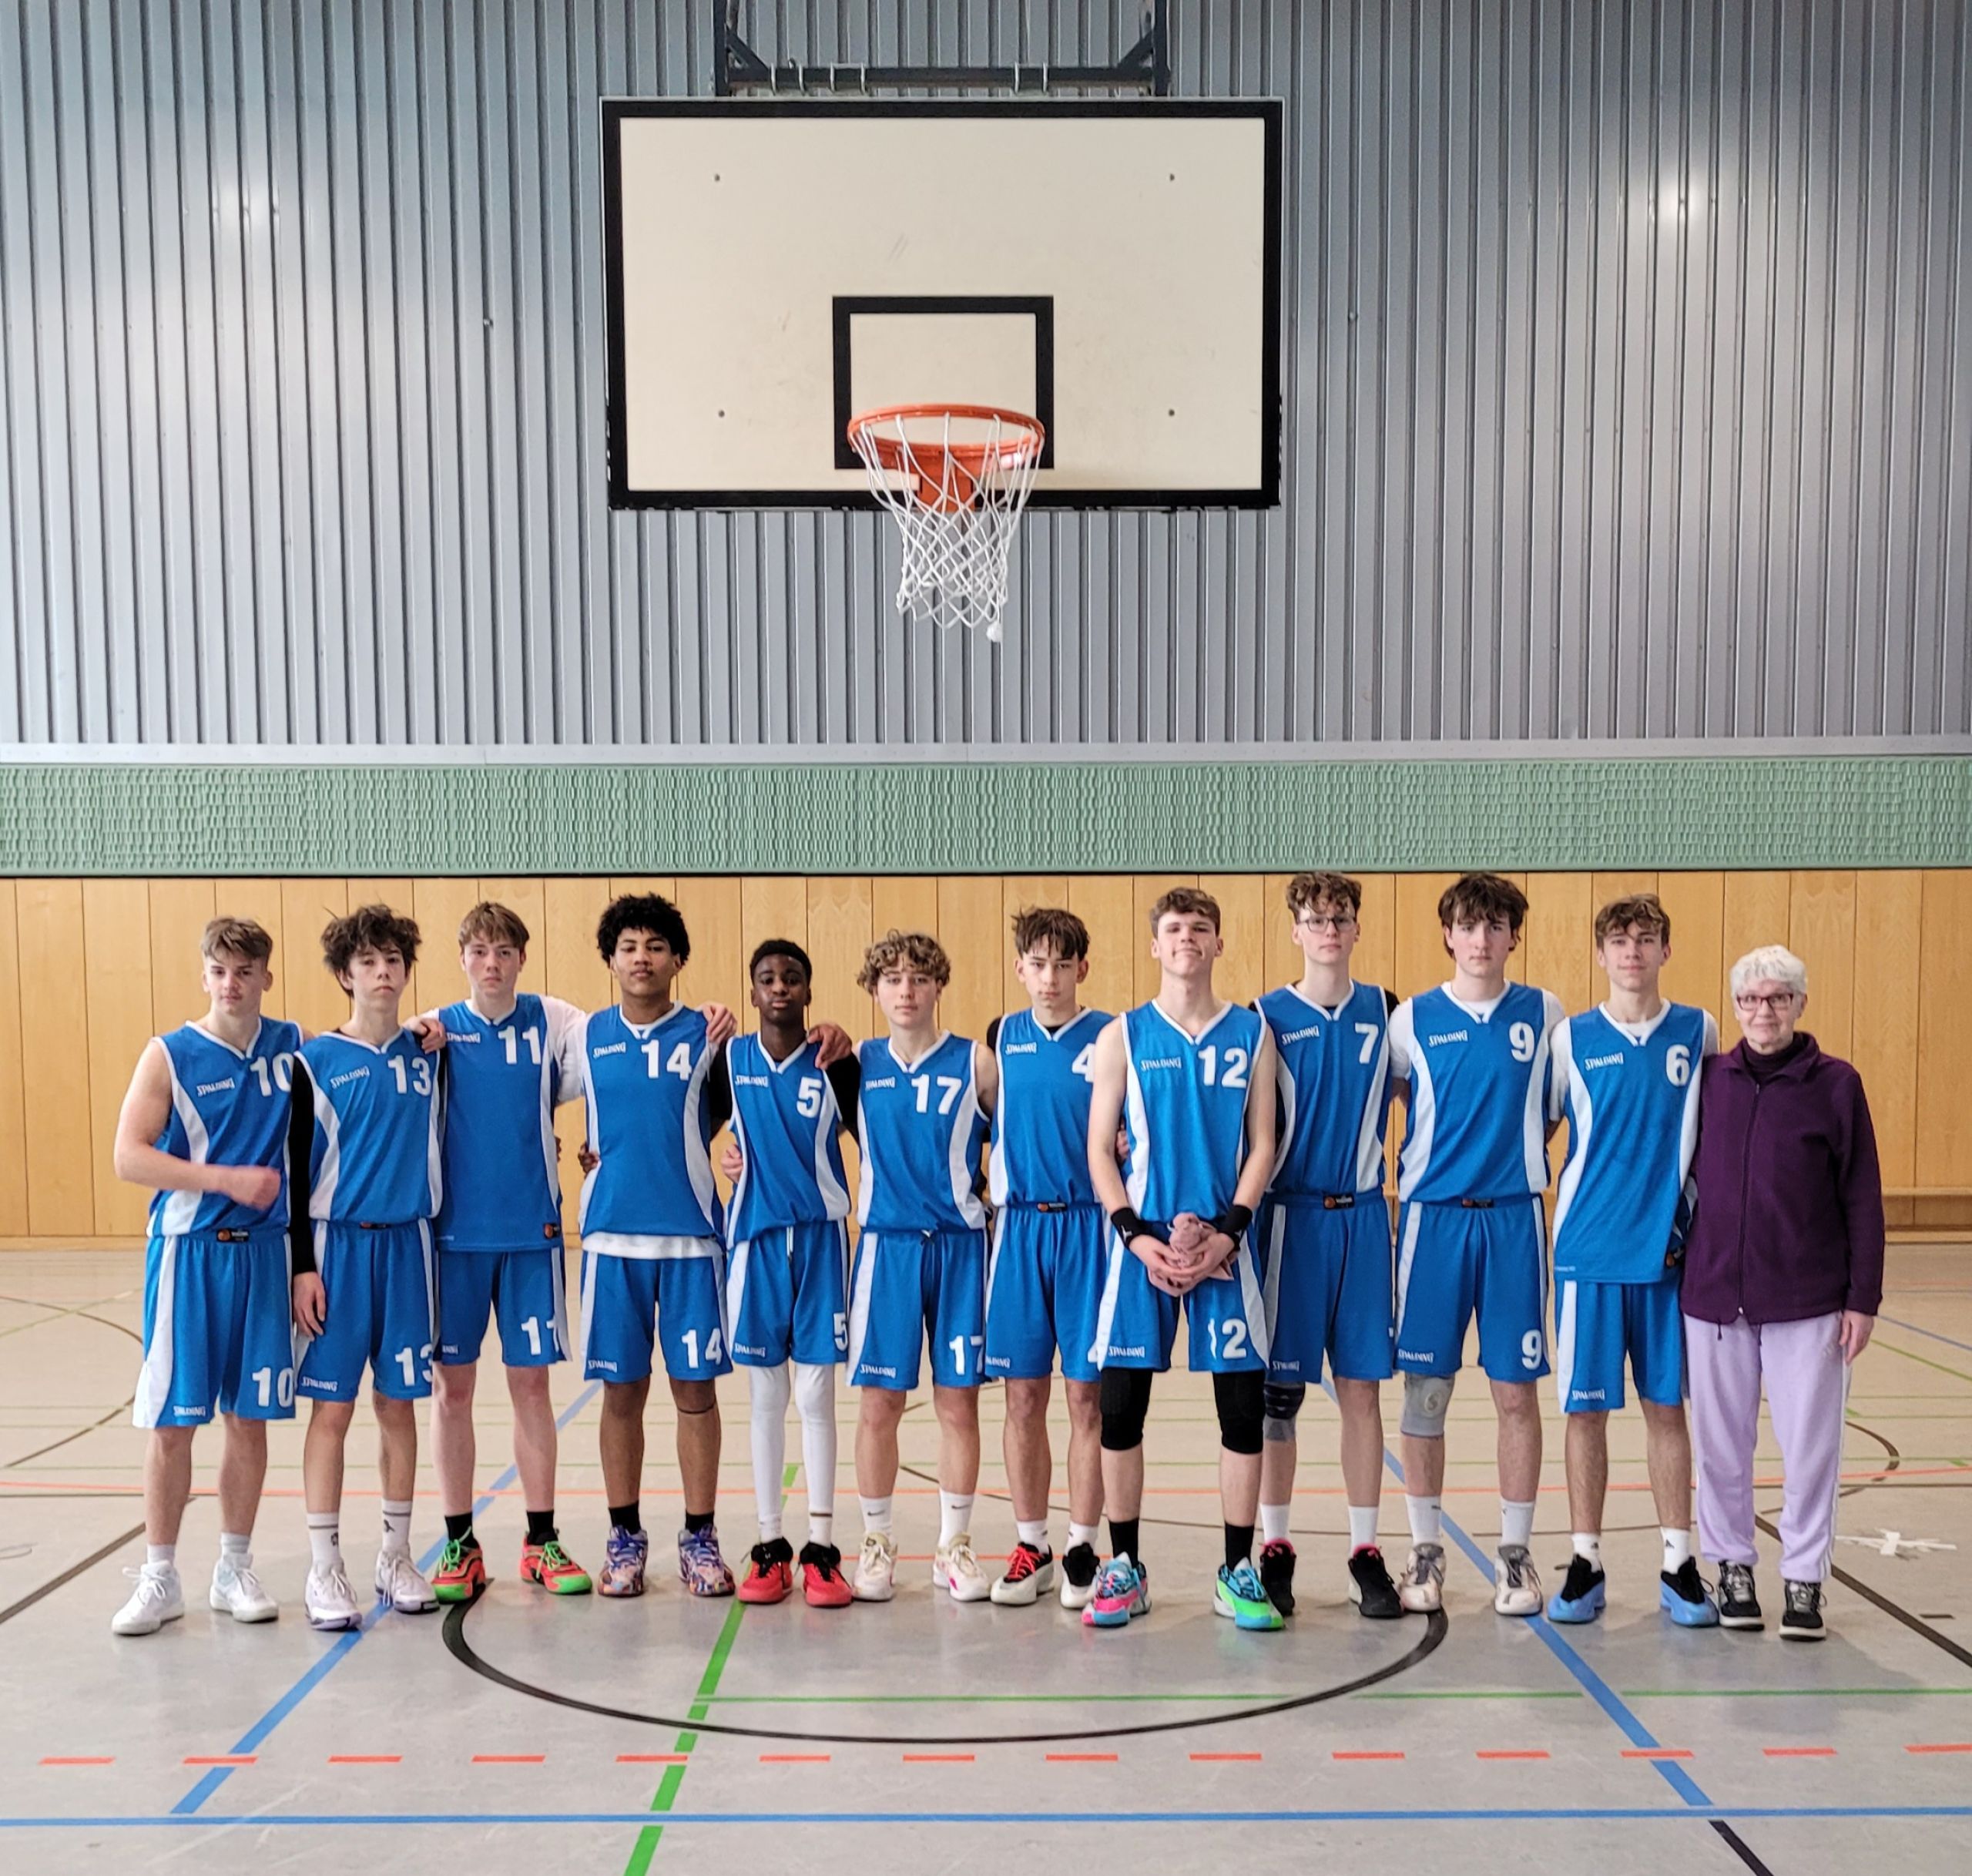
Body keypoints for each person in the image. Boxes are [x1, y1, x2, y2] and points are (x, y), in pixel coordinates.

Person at [1085, 886, 1281, 1632]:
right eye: (1173, 928)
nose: (1186, 938)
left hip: (1226, 1250)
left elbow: (1262, 1143)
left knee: (1239, 1411)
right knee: (1119, 1409)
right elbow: (1100, 1149)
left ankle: (1237, 1567)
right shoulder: (1123, 1035)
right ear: (1155, 943)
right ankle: (1124, 1563)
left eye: (1200, 927)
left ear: (1218, 943)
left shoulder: (1253, 1033)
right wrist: (1135, 1235)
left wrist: (1229, 1230)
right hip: (1144, 1250)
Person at [1682, 944, 1884, 1641]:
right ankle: (1732, 1567)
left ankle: (1803, 1578)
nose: (1762, 1011)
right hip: (1713, 1299)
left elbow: (1862, 1195)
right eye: (1749, 999)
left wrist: (1864, 1298)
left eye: (1776, 998)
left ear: (1800, 1004)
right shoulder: (1711, 1079)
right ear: (1735, 1007)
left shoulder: (1836, 1084)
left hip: (1809, 1299)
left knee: (1809, 1447)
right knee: (1720, 1446)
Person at [109, 917, 302, 1636]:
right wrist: (221, 1177)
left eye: (246, 970)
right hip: (188, 1254)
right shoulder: (170, 1054)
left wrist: (427, 1028)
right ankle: (160, 1575)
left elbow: (363, 1047)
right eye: (220, 971)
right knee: (172, 1422)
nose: (233, 982)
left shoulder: (293, 1046)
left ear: (265, 978)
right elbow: (129, 1157)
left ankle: (233, 1566)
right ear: (204, 977)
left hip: (263, 1256)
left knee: (249, 1418)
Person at [1387, 872, 1563, 1619]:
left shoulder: (1547, 1014)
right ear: (1449, 935)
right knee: (1426, 1392)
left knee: (1514, 1391)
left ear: (1513, 936)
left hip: (1514, 1219)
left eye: (1496, 926)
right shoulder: (1412, 1020)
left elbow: (1555, 1109)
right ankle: (1424, 1548)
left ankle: (1515, 1553)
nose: (1482, 939)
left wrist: (1508, 1156)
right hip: (1432, 1222)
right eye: (1469, 926)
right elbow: (1397, 1102)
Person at [1544, 894, 1720, 1628]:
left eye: (1647, 939)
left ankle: (1679, 1562)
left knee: (1664, 1409)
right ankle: (1585, 1559)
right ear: (1600, 953)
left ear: (1666, 951)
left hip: (1668, 1257)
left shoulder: (1699, 1030)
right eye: (1619, 940)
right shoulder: (1570, 1038)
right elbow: (1540, 1125)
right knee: (1585, 1414)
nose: (1633, 952)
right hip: (1586, 1254)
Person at [426, 902, 591, 1602]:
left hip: (532, 1235)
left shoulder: (558, 1021)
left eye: (504, 951)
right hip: (453, 1236)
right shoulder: (432, 1030)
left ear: (522, 958)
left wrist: (598, 1145)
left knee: (531, 1387)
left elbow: (621, 1067)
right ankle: (459, 1541)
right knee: (451, 1389)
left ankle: (540, 1538)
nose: (492, 963)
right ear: (462, 957)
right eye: (480, 950)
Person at [573, 893, 736, 1599]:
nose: (642, 957)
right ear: (611, 959)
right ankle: (624, 1535)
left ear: (678, 959)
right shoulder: (583, 1037)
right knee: (621, 1393)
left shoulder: (711, 1036)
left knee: (695, 1392)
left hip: (692, 1238)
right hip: (611, 1238)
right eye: (629, 945)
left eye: (656, 946)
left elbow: (748, 1109)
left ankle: (700, 1536)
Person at [288, 905, 446, 1630]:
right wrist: (301, 1266)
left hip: (407, 1247)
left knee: (400, 1405)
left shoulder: (427, 1052)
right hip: (337, 1247)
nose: (384, 973)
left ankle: (395, 1552)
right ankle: (324, 1566)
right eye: (369, 962)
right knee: (334, 1408)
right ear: (346, 974)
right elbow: (293, 1172)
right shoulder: (316, 1062)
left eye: (394, 961)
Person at [1253, 872, 1403, 1620]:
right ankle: (1274, 1547)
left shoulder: (1388, 1011)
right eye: (1315, 918)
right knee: (1277, 1398)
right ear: (1295, 928)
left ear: (1355, 926)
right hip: (1289, 1219)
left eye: (1341, 917)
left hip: (1366, 1216)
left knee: (1362, 1390)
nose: (1329, 929)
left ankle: (1363, 1550)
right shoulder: (1264, 1016)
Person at [844, 930, 998, 1605]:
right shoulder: (851, 1064)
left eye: (918, 978)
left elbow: (1022, 1139)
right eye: (893, 979)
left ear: (939, 986)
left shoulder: (978, 1064)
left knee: (957, 1401)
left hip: (963, 1247)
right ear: (875, 990)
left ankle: (953, 1546)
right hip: (888, 1247)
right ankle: (877, 1540)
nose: (906, 990)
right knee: (879, 1404)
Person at [718, 940, 860, 1608]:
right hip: (754, 1242)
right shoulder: (730, 1059)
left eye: (792, 978)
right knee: (766, 1396)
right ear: (753, 992)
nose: (779, 987)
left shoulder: (837, 1062)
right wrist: (596, 1153)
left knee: (815, 1396)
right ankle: (771, 1544)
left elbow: (884, 1138)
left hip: (821, 1242)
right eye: (767, 978)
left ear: (809, 990)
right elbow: (680, 1127)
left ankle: (822, 1547)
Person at [981, 906, 1110, 1610]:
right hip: (1022, 1230)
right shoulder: (1000, 1039)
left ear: (1082, 969)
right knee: (1022, 1395)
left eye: (1065, 963)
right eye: (1039, 963)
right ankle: (1032, 1541)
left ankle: (1084, 1543)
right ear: (1021, 968)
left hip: (1091, 1230)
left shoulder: (1112, 1035)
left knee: (1086, 1396)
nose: (1051, 976)